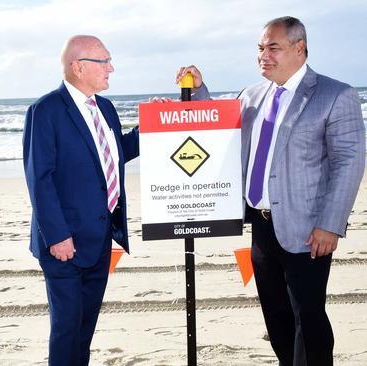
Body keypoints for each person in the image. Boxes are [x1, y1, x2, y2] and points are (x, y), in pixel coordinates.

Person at [176, 16, 365, 365]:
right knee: (276, 318)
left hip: (309, 230)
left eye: (273, 47)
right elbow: (221, 130)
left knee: (308, 321)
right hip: (261, 229)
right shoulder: (251, 95)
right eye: (260, 48)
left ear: (300, 49)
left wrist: (331, 224)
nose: (264, 55)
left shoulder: (335, 94)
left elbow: (349, 162)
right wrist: (200, 91)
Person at [22, 35, 139, 365]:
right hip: (65, 244)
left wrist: (152, 127)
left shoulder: (105, 108)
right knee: (67, 330)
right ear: (78, 67)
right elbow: (39, 178)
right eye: (104, 62)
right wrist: (57, 236)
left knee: (85, 329)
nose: (111, 68)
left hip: (100, 238)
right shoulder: (45, 111)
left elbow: (116, 154)